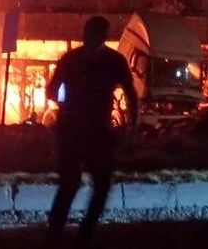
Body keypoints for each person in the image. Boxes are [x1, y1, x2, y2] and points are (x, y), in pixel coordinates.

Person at [44, 16, 138, 248]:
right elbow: (130, 92)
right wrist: (131, 124)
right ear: (104, 36)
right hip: (96, 130)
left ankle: (55, 237)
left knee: (70, 183)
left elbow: (52, 92)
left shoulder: (71, 59)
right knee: (100, 184)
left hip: (72, 129)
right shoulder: (114, 61)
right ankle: (82, 236)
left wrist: (68, 103)